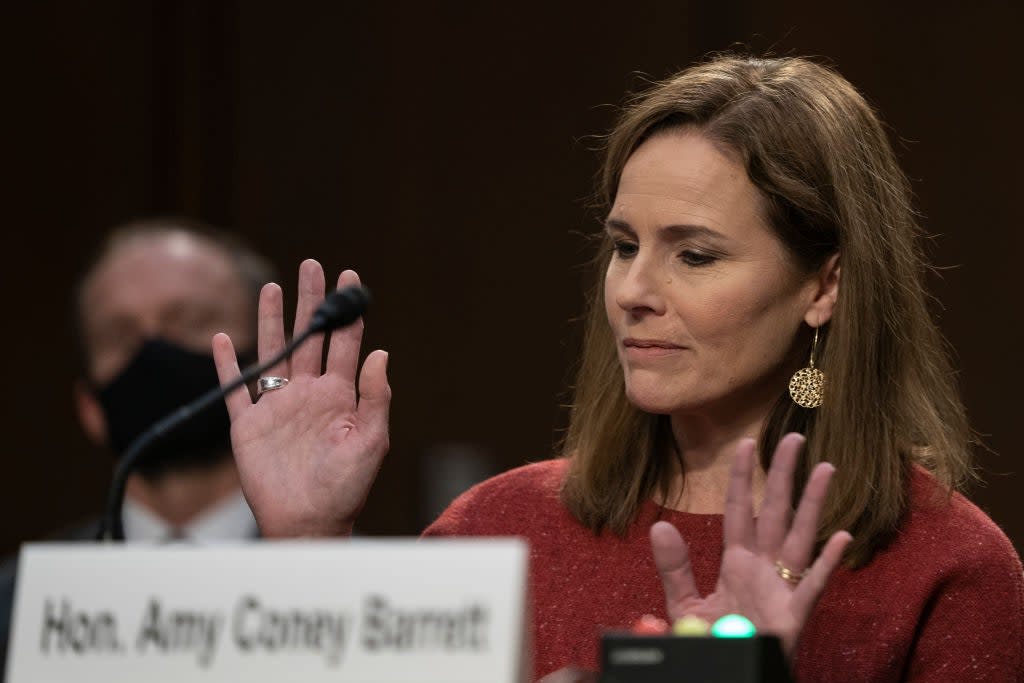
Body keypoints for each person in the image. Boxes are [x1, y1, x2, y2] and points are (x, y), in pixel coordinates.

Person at [211, 56, 1024, 682]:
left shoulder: (947, 564)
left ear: (825, 285)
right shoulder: (497, 530)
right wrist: (305, 545)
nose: (633, 292)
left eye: (694, 254)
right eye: (625, 246)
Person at [0, 220, 275, 675]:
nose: (153, 351)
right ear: (89, 407)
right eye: (119, 335)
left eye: (189, 321)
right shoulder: (17, 606)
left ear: (266, 365)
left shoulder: (361, 587)